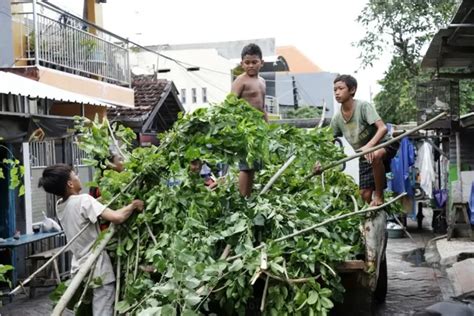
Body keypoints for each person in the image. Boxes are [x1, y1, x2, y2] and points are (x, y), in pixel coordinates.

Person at [38, 164, 144, 315]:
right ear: (70, 183)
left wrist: (106, 197)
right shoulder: (84, 200)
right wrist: (133, 205)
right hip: (98, 269)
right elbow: (117, 217)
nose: (78, 177)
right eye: (75, 175)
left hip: (79, 269)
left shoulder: (59, 205)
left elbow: (85, 209)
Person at [314, 74, 398, 206]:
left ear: (352, 90)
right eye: (335, 90)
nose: (337, 92)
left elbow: (382, 129)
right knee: (364, 196)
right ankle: (376, 213)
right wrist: (320, 162)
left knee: (375, 155)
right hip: (364, 154)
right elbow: (327, 143)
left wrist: (369, 146)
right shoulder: (337, 119)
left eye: (341, 88)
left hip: (384, 144)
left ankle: (380, 196)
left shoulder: (363, 107)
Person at [231, 43, 267, 197]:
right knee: (245, 166)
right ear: (242, 64)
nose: (250, 65)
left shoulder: (262, 82)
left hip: (258, 130)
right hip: (245, 129)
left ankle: (248, 195)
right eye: (247, 63)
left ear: (261, 62)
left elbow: (262, 107)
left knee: (253, 165)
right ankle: (242, 198)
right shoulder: (241, 80)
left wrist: (268, 128)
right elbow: (229, 105)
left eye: (254, 62)